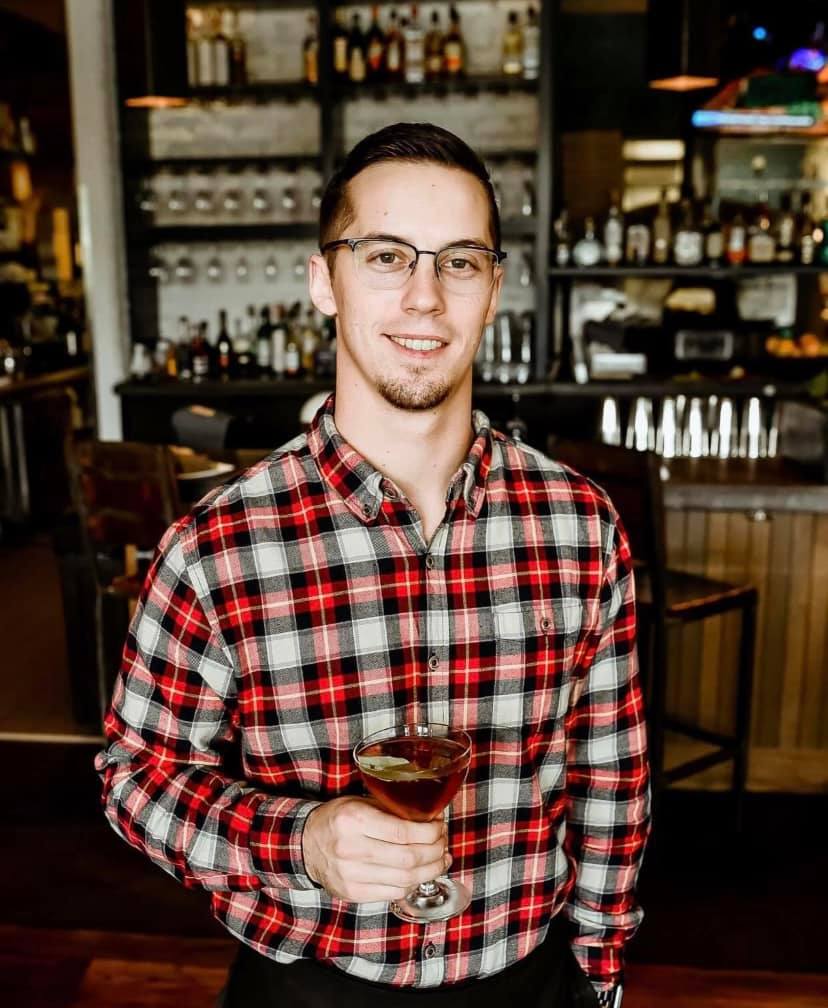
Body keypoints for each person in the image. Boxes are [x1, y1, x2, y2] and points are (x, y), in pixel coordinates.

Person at [96, 122, 650, 1008]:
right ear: (325, 280)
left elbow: (610, 778)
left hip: (529, 982)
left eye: (460, 261)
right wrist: (299, 840)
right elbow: (136, 778)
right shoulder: (216, 545)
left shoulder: (580, 525)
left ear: (493, 289)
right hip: (305, 987)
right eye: (387, 256)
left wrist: (600, 973)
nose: (425, 297)